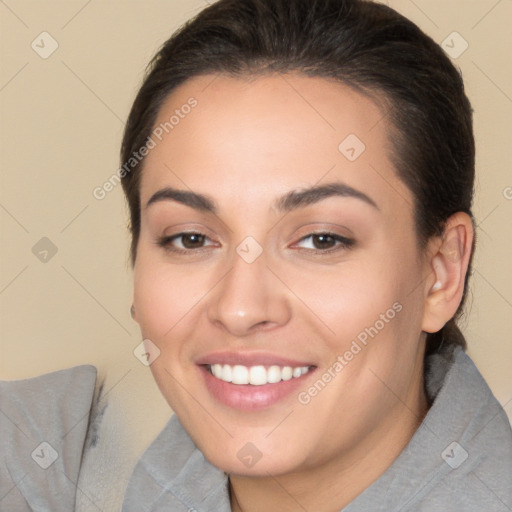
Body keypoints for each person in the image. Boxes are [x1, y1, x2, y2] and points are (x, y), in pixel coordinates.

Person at [1, 0, 511, 511]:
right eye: (190, 239)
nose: (240, 309)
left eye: (321, 240)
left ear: (441, 272)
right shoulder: (58, 464)